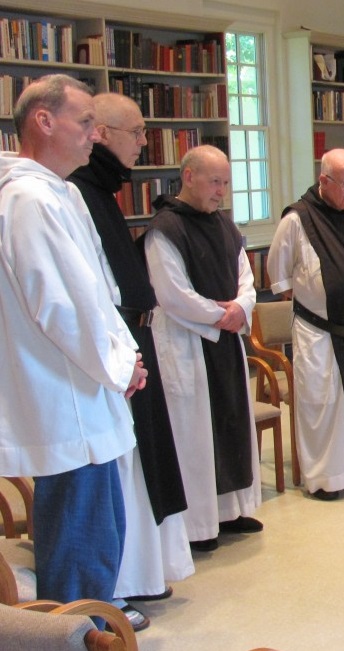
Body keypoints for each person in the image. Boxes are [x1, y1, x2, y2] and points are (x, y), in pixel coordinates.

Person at [0, 74, 147, 606]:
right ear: (44, 120)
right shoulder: (27, 199)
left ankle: (93, 617)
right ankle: (75, 630)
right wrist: (117, 365)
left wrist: (123, 356)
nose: (95, 135)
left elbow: (98, 290)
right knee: (80, 535)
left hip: (89, 386)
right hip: (68, 396)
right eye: (85, 122)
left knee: (100, 530)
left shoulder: (61, 194)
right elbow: (60, 307)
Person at [69, 92, 192, 630]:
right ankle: (113, 586)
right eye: (137, 132)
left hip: (132, 342)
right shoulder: (75, 191)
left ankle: (140, 574)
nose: (145, 141)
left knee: (143, 465)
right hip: (113, 352)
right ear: (100, 132)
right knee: (118, 471)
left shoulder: (100, 188)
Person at [145, 144, 262, 552]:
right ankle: (199, 524)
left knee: (231, 423)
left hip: (224, 342)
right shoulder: (165, 228)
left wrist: (241, 306)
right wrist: (221, 316)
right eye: (215, 182)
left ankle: (231, 511)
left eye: (226, 183)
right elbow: (172, 292)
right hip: (187, 343)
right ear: (189, 176)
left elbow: (246, 276)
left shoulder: (225, 226)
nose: (221, 192)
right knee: (195, 433)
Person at [268, 148, 344, 501]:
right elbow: (280, 277)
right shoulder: (298, 219)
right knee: (325, 405)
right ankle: (326, 477)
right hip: (320, 331)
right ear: (324, 181)